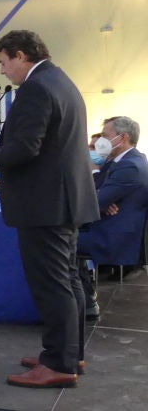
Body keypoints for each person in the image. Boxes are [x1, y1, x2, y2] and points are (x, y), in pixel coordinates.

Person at [0, 30, 97, 388]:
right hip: (63, 201)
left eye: (3, 62)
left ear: (20, 55)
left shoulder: (36, 88)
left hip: (45, 205)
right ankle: (68, 353)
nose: (2, 70)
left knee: (53, 285)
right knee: (68, 280)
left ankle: (59, 364)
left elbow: (26, 147)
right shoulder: (60, 81)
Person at [78, 116, 148, 313]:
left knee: (55, 242)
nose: (101, 141)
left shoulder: (130, 166)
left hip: (111, 236)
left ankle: (80, 302)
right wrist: (101, 201)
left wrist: (100, 201)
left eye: (105, 136)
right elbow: (94, 190)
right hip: (105, 226)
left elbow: (93, 200)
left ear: (123, 137)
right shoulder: (122, 160)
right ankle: (86, 299)